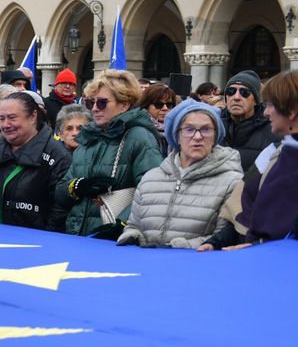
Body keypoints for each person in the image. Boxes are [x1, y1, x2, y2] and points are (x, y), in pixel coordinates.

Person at [203, 69, 298, 249]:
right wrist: (217, 242)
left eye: (271, 105)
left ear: (292, 110)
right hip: (262, 261)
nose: (266, 113)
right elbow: (246, 207)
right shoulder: (274, 151)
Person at [116, 99, 242, 248]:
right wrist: (132, 237)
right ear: (177, 136)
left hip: (194, 266)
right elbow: (133, 226)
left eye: (206, 129)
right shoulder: (150, 179)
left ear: (216, 137)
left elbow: (222, 238)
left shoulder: (232, 182)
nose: (197, 136)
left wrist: (181, 247)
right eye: (189, 129)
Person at [56, 69, 163, 238]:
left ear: (124, 104)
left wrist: (121, 224)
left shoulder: (139, 137)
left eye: (102, 103)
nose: (95, 109)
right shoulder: (88, 138)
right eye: (91, 103)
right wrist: (77, 186)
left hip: (113, 242)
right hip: (78, 237)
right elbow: (60, 192)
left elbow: (155, 192)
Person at [0, 92, 72, 230]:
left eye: (12, 118)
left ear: (33, 117)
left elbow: (60, 209)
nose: (5, 125)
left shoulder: (58, 156)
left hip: (31, 245)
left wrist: (46, 240)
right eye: (2, 118)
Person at [218, 70, 278, 171]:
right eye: (231, 91)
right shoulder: (214, 128)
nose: (236, 97)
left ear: (255, 100)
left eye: (244, 92)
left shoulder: (273, 131)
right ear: (225, 98)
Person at [136, 82, 178, 156]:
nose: (165, 108)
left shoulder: (179, 130)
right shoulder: (138, 132)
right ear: (146, 106)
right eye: (158, 104)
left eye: (169, 105)